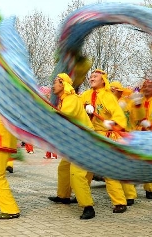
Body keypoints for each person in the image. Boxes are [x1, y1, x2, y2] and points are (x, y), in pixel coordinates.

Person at [81, 69, 136, 213]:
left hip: (105, 137)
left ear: (103, 80)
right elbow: (76, 110)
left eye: (95, 77)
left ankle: (119, 202)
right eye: (91, 76)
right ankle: (82, 196)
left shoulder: (108, 96)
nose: (92, 78)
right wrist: (83, 107)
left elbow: (119, 116)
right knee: (85, 170)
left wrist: (111, 123)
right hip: (90, 136)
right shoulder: (85, 95)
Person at [47, 73, 96, 219]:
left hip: (84, 141)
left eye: (55, 82)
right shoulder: (64, 99)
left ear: (62, 84)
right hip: (76, 142)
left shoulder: (71, 99)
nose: (53, 85)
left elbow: (64, 116)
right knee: (63, 167)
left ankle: (88, 207)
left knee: (77, 173)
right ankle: (64, 196)